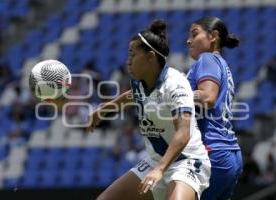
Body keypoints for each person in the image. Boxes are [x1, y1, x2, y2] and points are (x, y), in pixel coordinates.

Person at [88, 20, 211, 200]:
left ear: (151, 57)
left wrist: (160, 169)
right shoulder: (141, 83)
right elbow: (132, 95)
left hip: (186, 162)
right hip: (155, 161)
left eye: (132, 55)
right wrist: (103, 110)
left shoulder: (175, 84)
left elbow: (183, 133)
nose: (128, 62)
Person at [186, 16, 243, 200]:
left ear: (213, 36)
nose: (188, 40)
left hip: (212, 152)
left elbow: (207, 97)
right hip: (229, 153)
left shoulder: (207, 59)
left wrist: (173, 94)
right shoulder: (222, 64)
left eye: (194, 34)